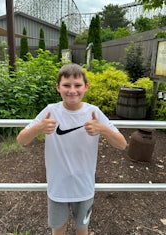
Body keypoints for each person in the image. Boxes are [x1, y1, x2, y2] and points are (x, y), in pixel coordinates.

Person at [17, 63, 127, 235]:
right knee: (58, 229)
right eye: (66, 85)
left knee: (82, 229)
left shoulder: (94, 112)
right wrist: (38, 128)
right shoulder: (50, 111)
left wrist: (103, 129)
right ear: (58, 87)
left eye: (77, 85)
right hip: (57, 187)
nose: (72, 90)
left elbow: (122, 144)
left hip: (84, 187)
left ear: (86, 87)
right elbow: (21, 139)